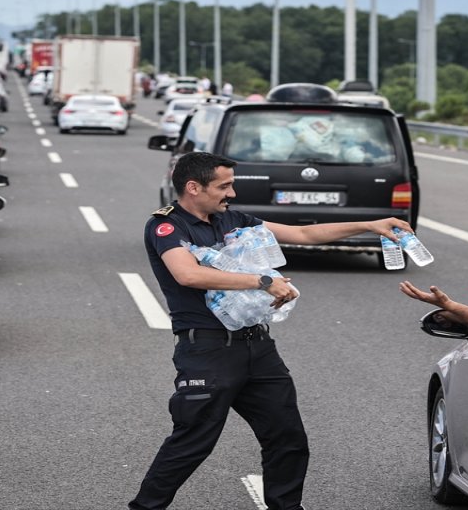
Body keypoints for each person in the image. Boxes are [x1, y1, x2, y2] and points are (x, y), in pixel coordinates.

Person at [131, 152, 412, 510]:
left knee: (288, 439)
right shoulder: (167, 227)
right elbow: (188, 274)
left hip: (258, 347)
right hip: (207, 352)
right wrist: (262, 281)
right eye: (224, 186)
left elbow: (302, 233)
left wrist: (371, 225)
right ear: (193, 187)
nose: (231, 193)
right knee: (192, 443)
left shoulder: (234, 219)